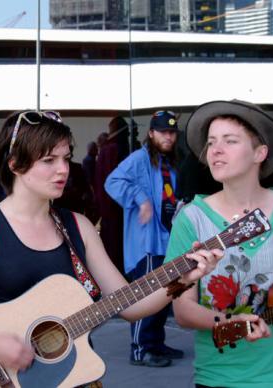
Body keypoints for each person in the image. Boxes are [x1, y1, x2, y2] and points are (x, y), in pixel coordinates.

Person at [0, 110, 223, 383]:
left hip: (72, 377)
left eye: (66, 158)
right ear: (15, 164)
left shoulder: (78, 227)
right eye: (49, 160)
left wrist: (184, 277)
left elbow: (128, 304)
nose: (64, 169)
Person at [167, 99, 273, 387]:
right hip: (219, 377)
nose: (216, 150)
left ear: (260, 152)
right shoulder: (192, 219)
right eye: (211, 143)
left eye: (230, 141)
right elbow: (182, 308)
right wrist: (224, 323)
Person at [105, 110, 183, 367]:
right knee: (145, 296)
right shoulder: (139, 158)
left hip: (167, 239)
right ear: (151, 133)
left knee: (164, 295)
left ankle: (155, 344)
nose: (168, 137)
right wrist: (141, 198)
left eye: (172, 132)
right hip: (147, 242)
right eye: (162, 132)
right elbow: (112, 181)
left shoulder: (170, 162)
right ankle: (140, 350)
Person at [94, 116, 131, 275]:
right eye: (128, 132)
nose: (131, 135)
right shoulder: (114, 149)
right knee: (116, 248)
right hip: (116, 208)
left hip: (109, 207)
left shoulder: (107, 148)